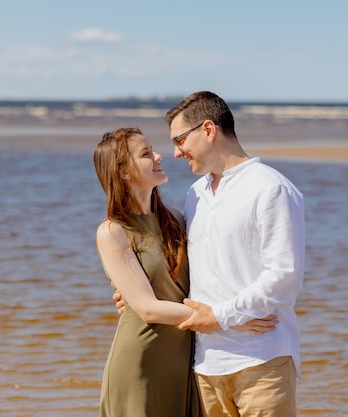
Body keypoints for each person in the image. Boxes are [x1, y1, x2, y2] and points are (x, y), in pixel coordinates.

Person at [115, 91, 305, 417]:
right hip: (204, 366)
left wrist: (220, 318)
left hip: (262, 360)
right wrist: (135, 291)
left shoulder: (270, 188)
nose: (175, 153)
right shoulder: (196, 193)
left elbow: (283, 276)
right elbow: (182, 265)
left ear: (208, 130)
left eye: (180, 140)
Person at [94, 127, 277, 417]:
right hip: (141, 361)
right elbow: (148, 309)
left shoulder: (177, 220)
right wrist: (229, 320)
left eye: (152, 149)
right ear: (124, 172)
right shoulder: (113, 232)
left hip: (184, 362)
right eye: (145, 153)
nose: (157, 156)